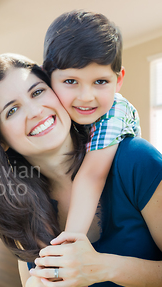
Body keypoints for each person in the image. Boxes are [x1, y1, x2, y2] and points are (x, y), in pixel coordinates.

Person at [0, 53, 162, 287]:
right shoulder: (18, 205)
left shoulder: (135, 160)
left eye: (38, 92)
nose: (35, 111)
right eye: (12, 110)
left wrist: (104, 267)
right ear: (0, 139)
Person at [43, 10, 141, 237]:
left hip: (124, 207)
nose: (86, 96)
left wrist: (70, 242)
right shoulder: (56, 112)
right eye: (70, 81)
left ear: (118, 80)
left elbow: (92, 177)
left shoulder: (115, 112)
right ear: (48, 78)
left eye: (100, 81)